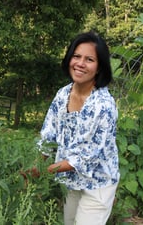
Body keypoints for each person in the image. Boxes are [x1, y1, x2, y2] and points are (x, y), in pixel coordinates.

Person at [37, 31, 120, 225]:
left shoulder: (103, 105)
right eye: (76, 56)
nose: (80, 63)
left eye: (89, 59)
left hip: (98, 182)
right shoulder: (63, 94)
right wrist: (35, 164)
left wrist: (43, 170)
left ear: (99, 68)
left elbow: (85, 158)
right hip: (71, 179)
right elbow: (48, 136)